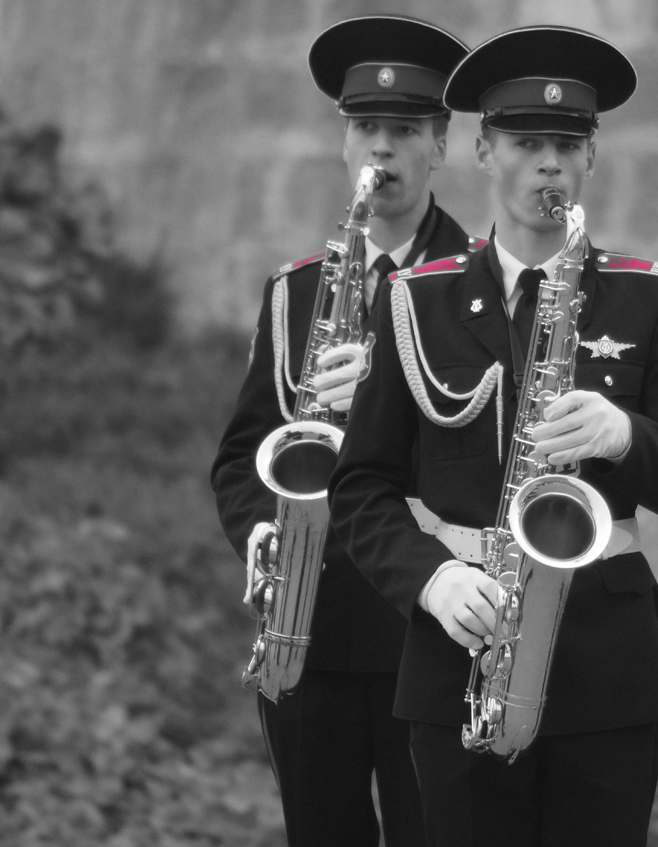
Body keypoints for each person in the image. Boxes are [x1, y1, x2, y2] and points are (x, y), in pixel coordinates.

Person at [327, 25, 658, 847]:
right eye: (525, 142)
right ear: (483, 151)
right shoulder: (416, 298)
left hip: (608, 670)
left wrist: (627, 435)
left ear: (591, 158)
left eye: (567, 144)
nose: (548, 163)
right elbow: (361, 486)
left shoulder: (650, 297)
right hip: (460, 651)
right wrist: (432, 582)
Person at [210, 15, 476, 847]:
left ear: (440, 142)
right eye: (367, 128)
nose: (382, 152)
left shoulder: (481, 287)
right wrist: (260, 531)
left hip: (426, 632)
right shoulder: (295, 292)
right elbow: (242, 457)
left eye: (404, 131)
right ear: (343, 141)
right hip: (308, 623)